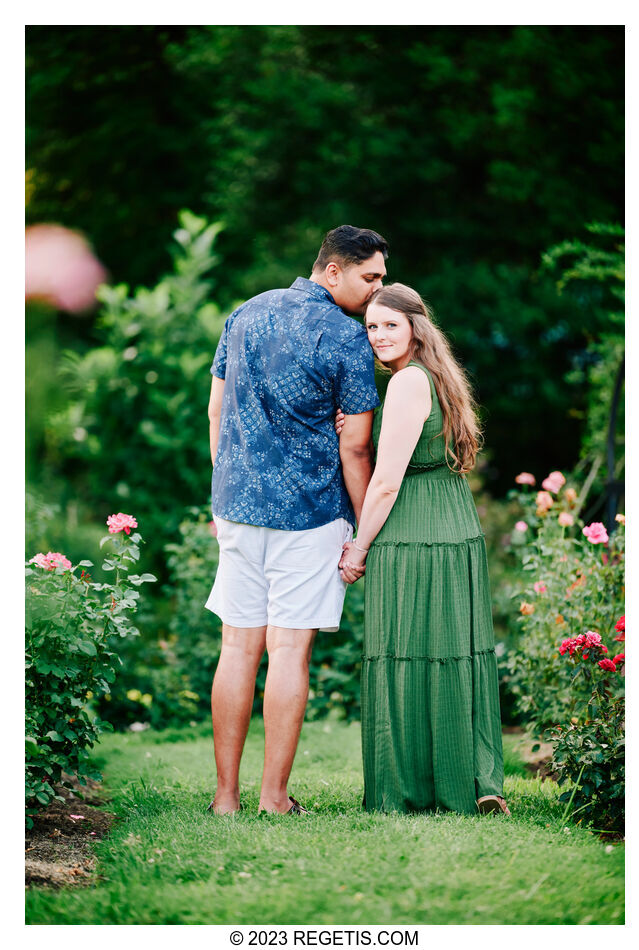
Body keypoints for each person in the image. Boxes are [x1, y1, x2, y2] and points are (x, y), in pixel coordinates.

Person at [205, 225, 388, 815]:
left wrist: (223, 491)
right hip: (309, 513)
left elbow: (216, 408)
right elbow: (356, 448)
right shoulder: (346, 336)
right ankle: (273, 798)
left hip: (236, 507)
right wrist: (365, 529)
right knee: (288, 652)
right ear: (333, 270)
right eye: (370, 277)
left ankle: (225, 799)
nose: (377, 289)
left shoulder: (243, 313)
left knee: (236, 647)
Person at [337, 283, 509, 816]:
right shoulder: (438, 377)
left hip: (416, 531)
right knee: (453, 653)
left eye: (390, 324)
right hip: (452, 522)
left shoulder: (408, 383)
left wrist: (358, 547)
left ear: (415, 325)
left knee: (406, 651)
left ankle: (412, 788)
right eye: (371, 327)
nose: (379, 335)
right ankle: (471, 778)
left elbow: (386, 482)